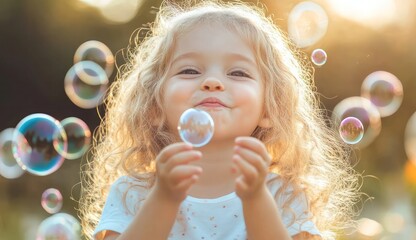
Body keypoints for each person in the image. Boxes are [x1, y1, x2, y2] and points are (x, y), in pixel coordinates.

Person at [78, 0, 361, 239]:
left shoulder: (283, 195)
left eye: (238, 73)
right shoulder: (134, 193)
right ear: (154, 106)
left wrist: (255, 198)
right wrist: (164, 198)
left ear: (269, 109)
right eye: (189, 70)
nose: (212, 82)